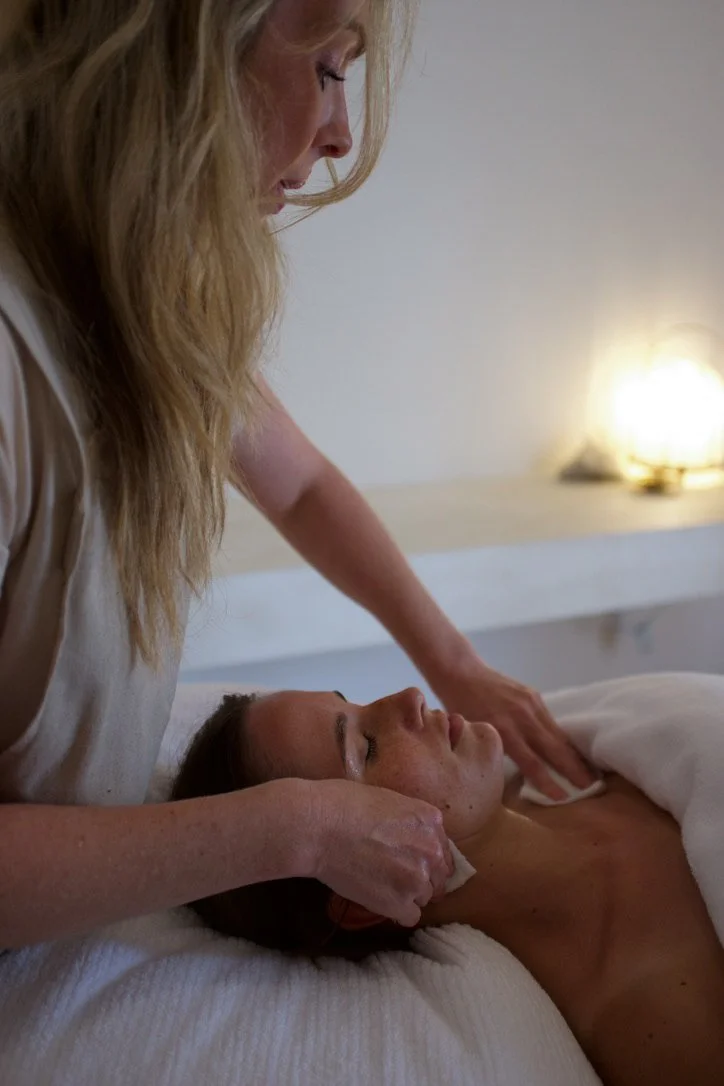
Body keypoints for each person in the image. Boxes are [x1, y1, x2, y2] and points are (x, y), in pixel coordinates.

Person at [0, 0, 594, 952]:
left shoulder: (135, 300)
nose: (340, 133)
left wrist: (453, 661)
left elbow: (302, 485)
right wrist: (295, 827)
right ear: (185, 52)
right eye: (327, 68)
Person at [171, 687, 724, 1086]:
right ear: (365, 894)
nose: (409, 697)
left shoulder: (571, 746)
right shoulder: (661, 1024)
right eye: (367, 747)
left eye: (357, 698)